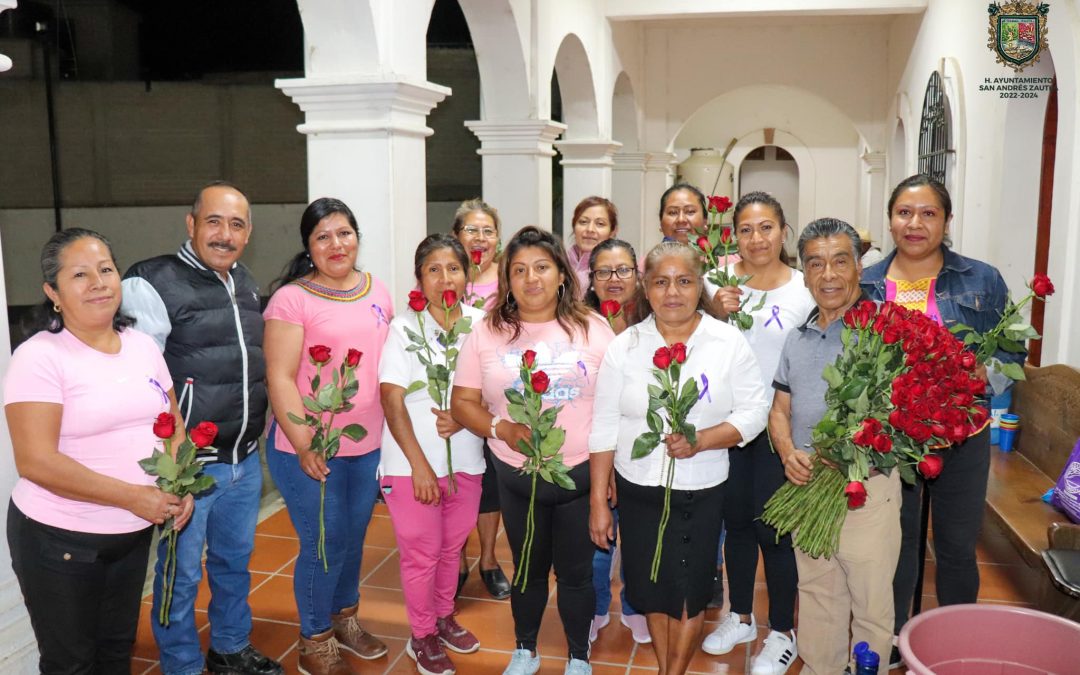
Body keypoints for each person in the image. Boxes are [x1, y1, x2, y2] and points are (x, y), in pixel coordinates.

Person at [4, 228, 194, 675]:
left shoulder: (143, 346)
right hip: (60, 541)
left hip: (130, 536)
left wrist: (179, 483)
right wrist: (133, 496)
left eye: (106, 269)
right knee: (72, 663)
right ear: (53, 292)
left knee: (115, 653)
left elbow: (173, 427)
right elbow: (36, 461)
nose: (98, 282)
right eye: (80, 275)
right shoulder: (40, 357)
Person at [860, 174, 1021, 668]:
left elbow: (1011, 346)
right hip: (894, 440)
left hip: (962, 435)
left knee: (954, 546)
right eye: (905, 213)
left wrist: (979, 372)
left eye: (928, 213)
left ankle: (955, 642)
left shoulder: (982, 278)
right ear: (890, 220)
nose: (915, 224)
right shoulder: (866, 283)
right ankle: (892, 639)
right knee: (897, 546)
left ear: (947, 221)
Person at [123, 182, 282, 675]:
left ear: (248, 233)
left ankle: (230, 646)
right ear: (191, 224)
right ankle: (182, 663)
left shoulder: (246, 283)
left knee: (234, 564)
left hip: (242, 460)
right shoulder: (151, 282)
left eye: (236, 225)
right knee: (180, 575)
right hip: (189, 468)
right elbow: (140, 378)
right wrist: (171, 459)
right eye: (213, 221)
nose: (224, 234)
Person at [589, 241, 770, 675]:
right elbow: (604, 423)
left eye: (684, 281)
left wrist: (703, 439)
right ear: (645, 289)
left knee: (689, 590)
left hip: (702, 489)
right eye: (661, 282)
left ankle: (674, 672)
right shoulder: (627, 346)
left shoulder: (726, 341)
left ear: (699, 285)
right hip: (638, 488)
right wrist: (599, 498)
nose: (673, 292)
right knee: (651, 588)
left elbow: (755, 411)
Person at [451, 226, 614, 675]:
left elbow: (615, 408)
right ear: (507, 279)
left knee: (578, 574)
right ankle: (526, 648)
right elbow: (462, 403)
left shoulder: (593, 329)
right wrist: (500, 427)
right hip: (516, 477)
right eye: (519, 270)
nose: (531, 279)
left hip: (579, 476)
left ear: (562, 274)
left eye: (542, 267)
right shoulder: (487, 332)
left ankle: (578, 656)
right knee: (526, 568)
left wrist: (606, 480)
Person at [264, 198, 393, 674]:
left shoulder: (377, 290)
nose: (336, 244)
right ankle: (314, 638)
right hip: (309, 448)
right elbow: (280, 377)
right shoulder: (291, 300)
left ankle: (344, 620)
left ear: (357, 237)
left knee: (353, 537)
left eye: (344, 233)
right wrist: (304, 443)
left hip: (365, 444)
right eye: (323, 237)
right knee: (324, 542)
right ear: (309, 246)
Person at [771, 218, 899, 675]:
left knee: (869, 603)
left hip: (868, 488)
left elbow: (899, 415)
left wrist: (846, 452)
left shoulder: (886, 331)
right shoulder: (796, 338)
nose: (828, 274)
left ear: (859, 267)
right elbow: (780, 410)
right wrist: (788, 452)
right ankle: (819, 667)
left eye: (840, 261)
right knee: (819, 593)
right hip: (810, 489)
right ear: (803, 272)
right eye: (816, 263)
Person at [701, 192, 814, 674]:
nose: (756, 239)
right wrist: (716, 313)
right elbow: (696, 350)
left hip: (780, 428)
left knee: (778, 532)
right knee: (739, 527)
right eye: (745, 229)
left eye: (766, 227)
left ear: (784, 231)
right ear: (733, 236)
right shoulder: (716, 284)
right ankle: (741, 615)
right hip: (729, 428)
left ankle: (783, 631)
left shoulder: (806, 288)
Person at [379, 234, 487, 675]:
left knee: (451, 548)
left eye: (454, 268)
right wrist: (420, 464)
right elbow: (391, 398)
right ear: (419, 279)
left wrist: (464, 419)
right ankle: (421, 634)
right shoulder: (405, 329)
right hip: (412, 468)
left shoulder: (481, 325)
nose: (445, 278)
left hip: (466, 461)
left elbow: (495, 392)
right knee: (422, 554)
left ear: (467, 275)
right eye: (433, 270)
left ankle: (443, 618)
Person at [580, 238, 650, 645]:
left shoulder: (654, 317)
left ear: (637, 275)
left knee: (637, 534)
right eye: (603, 271)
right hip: (596, 443)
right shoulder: (579, 322)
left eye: (623, 270)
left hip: (642, 446)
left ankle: (636, 604)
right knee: (597, 534)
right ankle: (594, 605)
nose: (614, 279)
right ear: (591, 279)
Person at [450, 198, 512, 600]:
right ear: (457, 236)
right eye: (471, 229)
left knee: (490, 486)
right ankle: (455, 558)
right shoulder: (445, 275)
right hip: (452, 398)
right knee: (454, 479)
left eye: (488, 230)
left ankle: (489, 559)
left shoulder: (508, 280)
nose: (480, 238)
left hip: (493, 401)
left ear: (498, 239)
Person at [566, 196, 618, 295]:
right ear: (574, 227)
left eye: (600, 224)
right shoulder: (558, 263)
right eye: (583, 222)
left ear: (613, 231)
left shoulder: (618, 272)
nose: (590, 229)